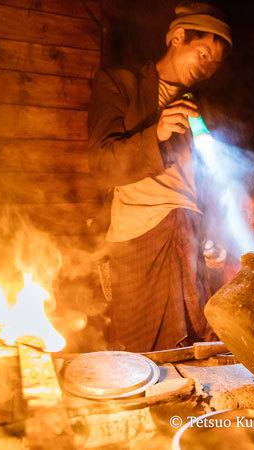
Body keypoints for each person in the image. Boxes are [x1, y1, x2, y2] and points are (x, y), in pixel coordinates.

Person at [87, 2, 232, 352]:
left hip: (188, 235)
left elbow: (208, 185)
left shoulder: (199, 108)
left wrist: (215, 237)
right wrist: (156, 133)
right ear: (177, 37)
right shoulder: (121, 84)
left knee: (197, 350)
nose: (207, 67)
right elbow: (102, 165)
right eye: (202, 53)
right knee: (142, 353)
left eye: (214, 64)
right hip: (141, 233)